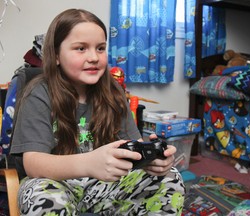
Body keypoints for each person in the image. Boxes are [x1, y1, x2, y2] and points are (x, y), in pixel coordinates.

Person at [10, 8, 185, 216]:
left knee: (170, 178)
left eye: (100, 48)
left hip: (105, 187)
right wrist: (89, 163)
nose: (94, 57)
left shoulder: (114, 92)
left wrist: (152, 160)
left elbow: (132, 149)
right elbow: (33, 163)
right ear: (56, 55)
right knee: (40, 194)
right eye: (81, 48)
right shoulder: (39, 93)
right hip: (56, 185)